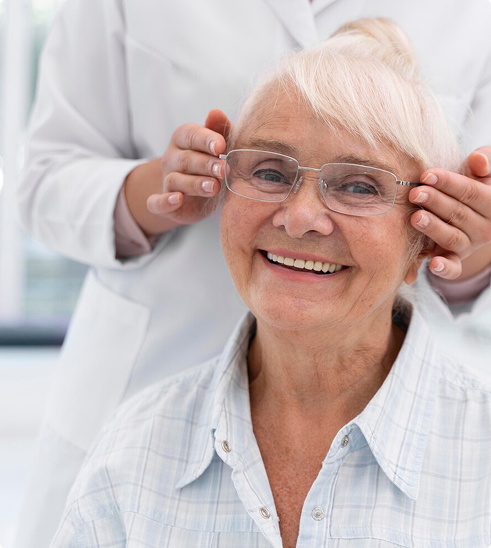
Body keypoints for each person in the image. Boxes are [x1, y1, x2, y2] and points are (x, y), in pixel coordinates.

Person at [14, 1, 491, 546]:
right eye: (268, 170)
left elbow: (464, 235)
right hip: (152, 376)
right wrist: (161, 188)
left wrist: (469, 239)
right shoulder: (129, 452)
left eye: (359, 185)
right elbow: (44, 178)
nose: (301, 216)